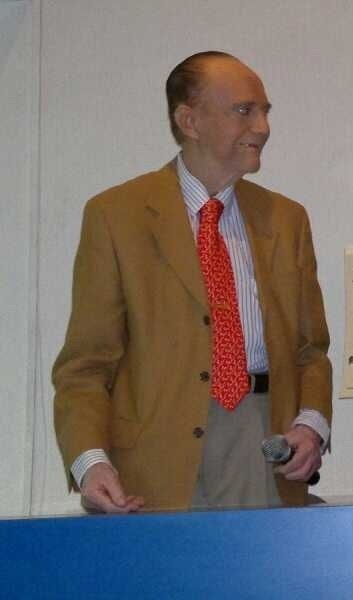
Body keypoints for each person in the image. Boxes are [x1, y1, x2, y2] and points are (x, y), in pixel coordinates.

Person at [53, 51, 332, 513]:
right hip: (149, 461)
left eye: (265, 111)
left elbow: (311, 353)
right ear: (190, 120)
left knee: (258, 585)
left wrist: (312, 424)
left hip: (261, 446)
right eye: (244, 110)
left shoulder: (287, 219)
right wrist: (89, 461)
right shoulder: (115, 216)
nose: (262, 126)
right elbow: (85, 366)